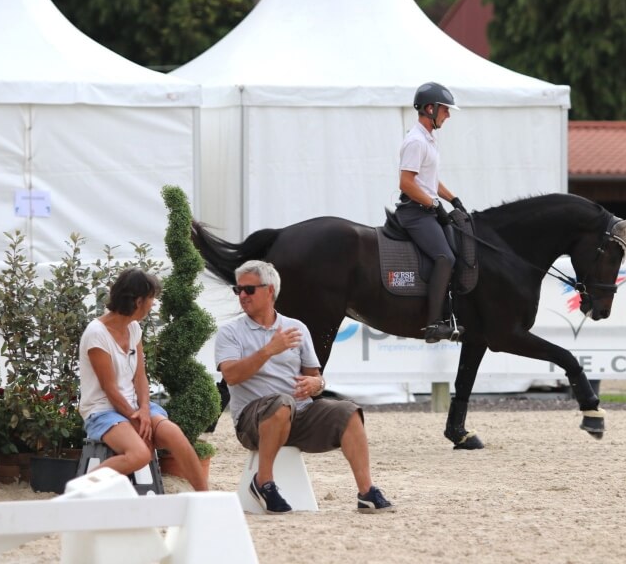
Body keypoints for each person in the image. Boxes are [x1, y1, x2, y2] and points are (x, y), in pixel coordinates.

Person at [214, 260, 395, 514]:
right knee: (281, 403)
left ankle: (366, 492)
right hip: (252, 422)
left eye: (249, 289)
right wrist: (269, 350)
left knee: (349, 412)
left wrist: (316, 384)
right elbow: (231, 376)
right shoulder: (230, 332)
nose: (242, 295)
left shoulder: (296, 328)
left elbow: (315, 378)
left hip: (299, 414)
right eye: (238, 290)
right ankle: (263, 483)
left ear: (270, 290)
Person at [78, 268, 207, 491]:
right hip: (102, 411)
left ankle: (206, 498)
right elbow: (109, 389)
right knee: (140, 454)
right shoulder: (96, 334)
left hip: (134, 407)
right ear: (138, 301)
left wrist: (145, 410)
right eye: (151, 299)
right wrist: (135, 418)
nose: (153, 304)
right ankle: (80, 490)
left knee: (175, 436)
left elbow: (140, 377)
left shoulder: (134, 328)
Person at [396, 81, 467, 343]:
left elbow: (430, 181)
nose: (447, 115)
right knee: (444, 258)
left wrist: (453, 199)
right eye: (445, 110)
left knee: (459, 250)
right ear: (430, 109)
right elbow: (406, 183)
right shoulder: (416, 141)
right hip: (415, 213)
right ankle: (433, 324)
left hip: (427, 209)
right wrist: (434, 205)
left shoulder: (428, 139)